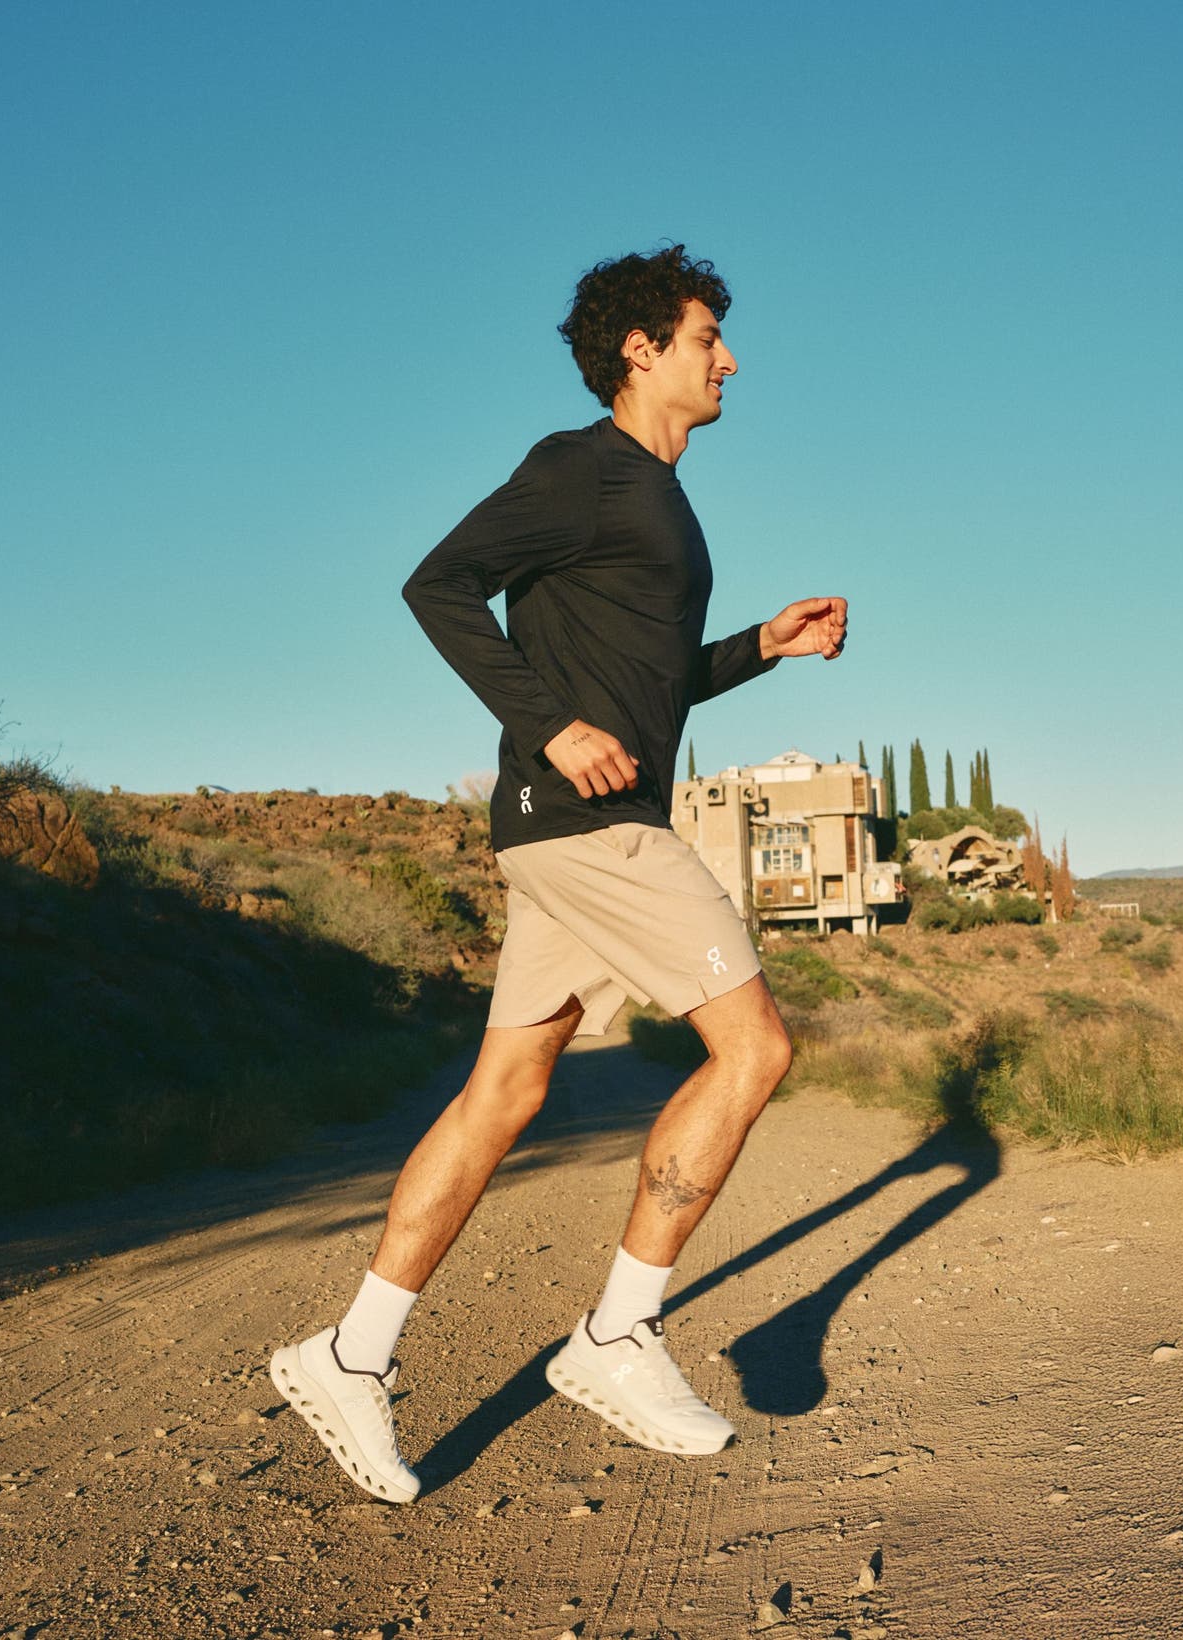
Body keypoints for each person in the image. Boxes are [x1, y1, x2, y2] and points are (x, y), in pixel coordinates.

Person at [270, 244, 848, 1503]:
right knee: (752, 1050)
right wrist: (547, 726)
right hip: (593, 824)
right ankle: (615, 1334)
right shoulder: (577, 468)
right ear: (641, 348)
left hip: (574, 824)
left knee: (505, 1092)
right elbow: (437, 584)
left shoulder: (656, 499)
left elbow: (648, 683)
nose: (729, 358)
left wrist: (762, 645)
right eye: (708, 336)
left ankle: (348, 1354)